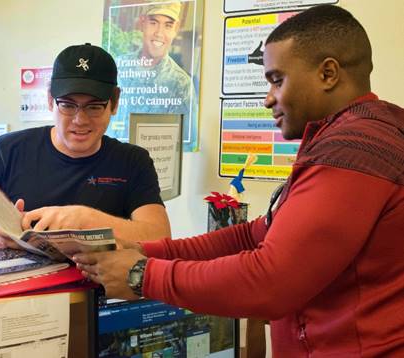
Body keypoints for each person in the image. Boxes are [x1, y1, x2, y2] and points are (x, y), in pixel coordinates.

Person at [74, 5, 404, 356]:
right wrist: (148, 252)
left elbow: (270, 281)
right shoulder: (351, 138)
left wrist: (142, 274)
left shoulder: (355, 150)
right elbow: (253, 235)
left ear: (328, 74)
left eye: (277, 80)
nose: (268, 99)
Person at [0, 43, 171, 253]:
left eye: (94, 107)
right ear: (50, 100)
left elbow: (160, 239)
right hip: (22, 289)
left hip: (99, 290)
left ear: (114, 103)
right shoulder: (7, 151)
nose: (80, 119)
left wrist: (85, 219)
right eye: (67, 105)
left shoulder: (132, 161)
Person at [110, 2, 196, 140]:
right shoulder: (116, 67)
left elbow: (185, 143)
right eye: (153, 22)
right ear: (142, 23)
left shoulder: (181, 84)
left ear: (176, 29)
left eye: (168, 25)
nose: (159, 33)